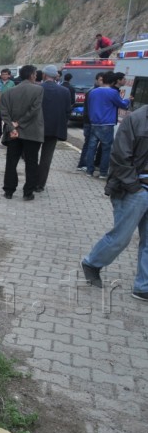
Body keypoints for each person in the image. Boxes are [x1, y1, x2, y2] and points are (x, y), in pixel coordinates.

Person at [80, 101, 148, 301]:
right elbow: (119, 157)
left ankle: (143, 286)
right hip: (133, 188)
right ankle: (92, 263)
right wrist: (134, 187)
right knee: (121, 237)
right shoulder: (135, 120)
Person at [0, 65, 44, 201]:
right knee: (31, 162)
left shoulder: (8, 92)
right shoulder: (38, 90)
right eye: (35, 74)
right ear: (31, 75)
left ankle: (9, 190)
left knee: (11, 161)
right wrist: (20, 123)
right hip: (32, 132)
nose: (36, 76)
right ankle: (28, 192)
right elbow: (35, 110)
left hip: (13, 133)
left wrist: (12, 127)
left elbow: (4, 113)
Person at [86, 71, 131, 179]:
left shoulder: (93, 92)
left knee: (91, 148)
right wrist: (128, 100)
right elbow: (122, 105)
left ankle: (89, 170)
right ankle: (102, 172)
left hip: (94, 122)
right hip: (107, 123)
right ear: (112, 82)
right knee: (106, 149)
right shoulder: (113, 93)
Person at [36, 65, 72, 192]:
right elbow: (68, 111)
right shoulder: (64, 91)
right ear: (56, 76)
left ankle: (32, 180)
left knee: (32, 155)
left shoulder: (38, 89)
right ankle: (40, 184)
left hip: (37, 128)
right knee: (46, 158)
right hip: (54, 130)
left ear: (44, 75)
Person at [77, 72, 105, 172]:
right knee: (89, 143)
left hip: (92, 121)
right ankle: (82, 164)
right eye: (101, 80)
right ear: (96, 80)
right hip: (90, 122)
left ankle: (85, 163)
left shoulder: (97, 91)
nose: (102, 82)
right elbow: (91, 108)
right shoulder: (92, 91)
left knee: (90, 143)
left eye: (103, 80)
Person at [0, 68, 16, 137]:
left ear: (9, 75)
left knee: (7, 119)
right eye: (2, 74)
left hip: (8, 104)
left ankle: (5, 132)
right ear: (0, 75)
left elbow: (14, 94)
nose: (4, 76)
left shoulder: (12, 83)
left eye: (6, 74)